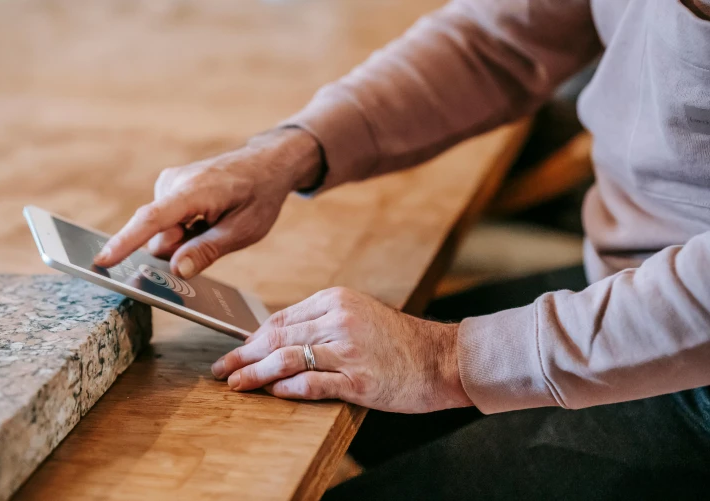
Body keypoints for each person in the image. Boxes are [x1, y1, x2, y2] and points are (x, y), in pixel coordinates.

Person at [94, 0, 710, 497]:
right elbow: (500, 40)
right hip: (631, 274)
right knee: (301, 413)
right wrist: (288, 152)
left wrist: (443, 359)